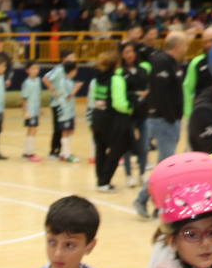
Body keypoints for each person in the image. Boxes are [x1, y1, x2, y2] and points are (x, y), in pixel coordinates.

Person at [133, 32, 188, 216]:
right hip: (164, 120)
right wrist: (171, 117)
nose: (187, 49)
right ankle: (144, 200)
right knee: (167, 167)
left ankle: (159, 205)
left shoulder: (171, 63)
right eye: (185, 45)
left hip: (169, 120)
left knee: (165, 166)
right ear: (177, 46)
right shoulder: (162, 61)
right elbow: (161, 93)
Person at [88, 50, 128, 191]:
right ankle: (105, 180)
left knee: (100, 149)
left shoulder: (97, 78)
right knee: (117, 149)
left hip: (97, 116)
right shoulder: (116, 79)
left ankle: (101, 181)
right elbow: (119, 103)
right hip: (110, 119)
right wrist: (130, 109)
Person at [116, 41, 151, 189]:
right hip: (128, 114)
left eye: (131, 51)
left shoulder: (143, 70)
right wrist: (136, 94)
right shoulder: (120, 73)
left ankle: (142, 173)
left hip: (143, 112)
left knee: (144, 145)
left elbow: (149, 87)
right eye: (126, 52)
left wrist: (146, 93)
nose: (129, 55)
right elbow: (121, 92)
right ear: (122, 55)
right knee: (128, 147)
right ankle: (129, 176)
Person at [44, 52, 81, 162]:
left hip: (66, 105)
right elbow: (46, 78)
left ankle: (63, 151)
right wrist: (53, 91)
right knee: (58, 128)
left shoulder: (68, 77)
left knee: (65, 129)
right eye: (71, 57)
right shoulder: (59, 70)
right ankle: (55, 151)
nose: (74, 59)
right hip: (59, 104)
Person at [182, 23, 212, 120]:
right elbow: (187, 88)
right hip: (203, 113)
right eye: (205, 42)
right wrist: (188, 113)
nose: (208, 44)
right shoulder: (196, 62)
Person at [20, 61, 43, 161]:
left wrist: (40, 108)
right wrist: (25, 112)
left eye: (37, 68)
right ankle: (29, 153)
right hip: (30, 111)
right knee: (31, 130)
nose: (35, 70)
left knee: (34, 130)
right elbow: (24, 99)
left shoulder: (38, 80)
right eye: (33, 68)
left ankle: (27, 152)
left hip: (35, 110)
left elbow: (38, 95)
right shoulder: (27, 83)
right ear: (27, 70)